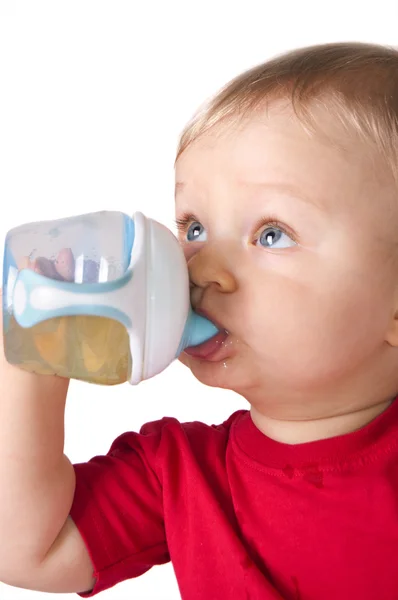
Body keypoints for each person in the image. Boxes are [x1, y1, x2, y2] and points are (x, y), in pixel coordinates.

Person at [1, 40, 398, 600]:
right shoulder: (178, 474)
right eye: (193, 228)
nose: (201, 269)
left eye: (271, 233)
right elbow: (26, 550)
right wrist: (31, 356)